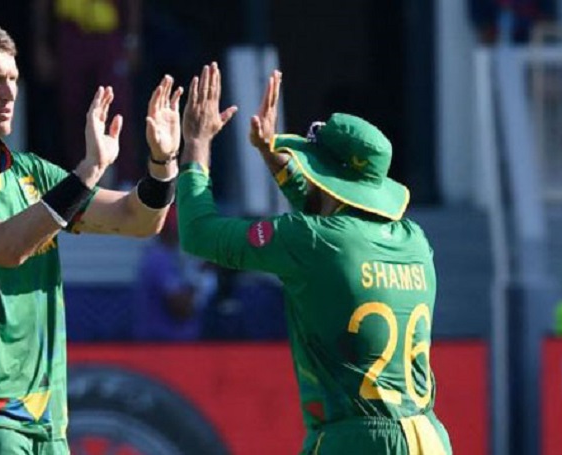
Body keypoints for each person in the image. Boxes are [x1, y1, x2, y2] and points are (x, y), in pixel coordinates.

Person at [0, 23, 181, 455]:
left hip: (48, 423)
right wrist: (88, 171)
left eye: (13, 79)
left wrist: (162, 164)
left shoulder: (32, 173)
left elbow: (136, 220)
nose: (9, 93)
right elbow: (7, 247)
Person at [176, 63, 452, 454]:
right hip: (429, 436)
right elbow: (330, 224)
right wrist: (271, 155)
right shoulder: (415, 241)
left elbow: (198, 234)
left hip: (358, 440)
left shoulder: (311, 241)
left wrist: (196, 143)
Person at [30, 0, 141, 185]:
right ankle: (82, 181)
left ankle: (125, 179)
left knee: (117, 106)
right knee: (73, 108)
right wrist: (41, 44)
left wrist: (132, 38)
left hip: (107, 31)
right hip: (70, 31)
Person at [133, 205, 216, 341]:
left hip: (178, 342)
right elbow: (181, 308)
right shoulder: (159, 259)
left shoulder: (175, 256)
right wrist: (201, 280)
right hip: (161, 343)